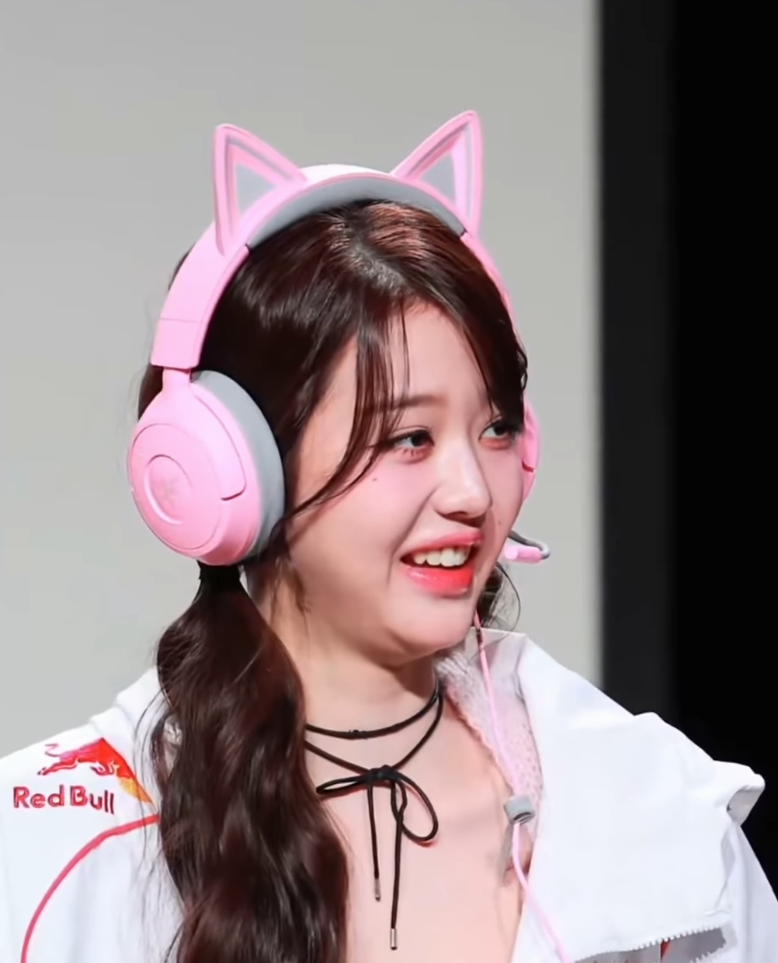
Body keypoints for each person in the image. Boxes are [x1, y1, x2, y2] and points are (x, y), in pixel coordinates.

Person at [0, 112, 775, 963]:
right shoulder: (56, 853)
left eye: (497, 427)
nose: (473, 492)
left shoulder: (663, 827)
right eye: (409, 438)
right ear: (239, 466)